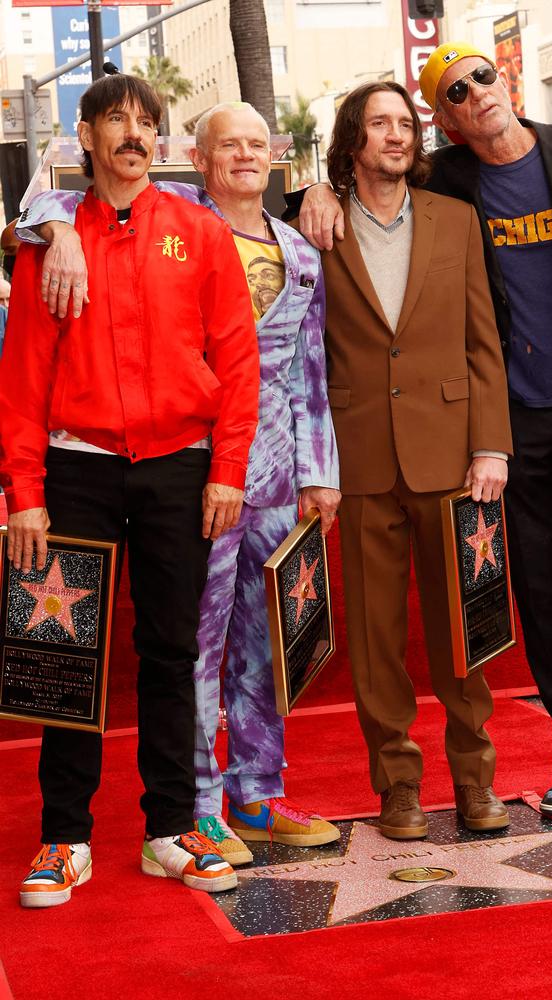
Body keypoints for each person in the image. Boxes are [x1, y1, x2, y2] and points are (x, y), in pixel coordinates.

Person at [290, 41, 552, 825]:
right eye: (454, 90)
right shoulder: (450, 184)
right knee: (539, 592)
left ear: (505, 79)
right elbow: (365, 184)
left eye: (483, 75)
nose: (476, 91)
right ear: (446, 124)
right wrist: (315, 187)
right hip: (513, 423)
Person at [14, 100, 342, 863]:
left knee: (256, 645)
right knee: (153, 644)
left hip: (262, 472)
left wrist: (318, 471)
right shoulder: (163, 216)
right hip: (166, 464)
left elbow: (308, 371)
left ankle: (254, 793)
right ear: (195, 157)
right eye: (228, 145)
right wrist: (48, 229)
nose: (245, 158)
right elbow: (48, 205)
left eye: (258, 146)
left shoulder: (297, 251)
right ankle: (183, 809)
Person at [0, 74, 260, 908]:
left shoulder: (200, 231)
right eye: (116, 121)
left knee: (171, 649)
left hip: (178, 466)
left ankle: (169, 828)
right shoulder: (51, 239)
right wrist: (24, 493)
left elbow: (238, 360)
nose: (133, 136)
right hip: (74, 466)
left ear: (164, 142)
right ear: (84, 135)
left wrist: (226, 469)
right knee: (63, 651)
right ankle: (64, 836)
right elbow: (22, 378)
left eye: (147, 124)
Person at [292, 80, 513, 839]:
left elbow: (485, 342)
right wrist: (313, 190)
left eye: (404, 124)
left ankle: (477, 781)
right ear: (352, 142)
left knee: (465, 629)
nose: (397, 135)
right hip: (357, 464)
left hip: (455, 460)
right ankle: (398, 788)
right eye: (379, 124)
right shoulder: (313, 226)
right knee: (376, 641)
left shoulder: (456, 220)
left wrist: (492, 443)